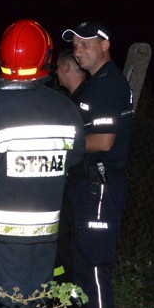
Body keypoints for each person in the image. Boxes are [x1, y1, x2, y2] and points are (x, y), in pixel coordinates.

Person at [0, 19, 84, 308]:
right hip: (46, 231)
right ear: (46, 59)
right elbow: (73, 159)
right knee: (37, 301)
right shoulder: (66, 109)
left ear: (2, 60)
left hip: (0, 234)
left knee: (4, 302)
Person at [62, 21, 133, 308]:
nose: (78, 52)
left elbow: (103, 141)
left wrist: (62, 146)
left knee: (93, 267)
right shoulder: (96, 83)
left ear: (105, 44)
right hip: (89, 186)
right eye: (75, 46)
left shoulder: (106, 84)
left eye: (86, 44)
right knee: (82, 263)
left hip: (99, 188)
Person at [52, 47, 89, 285]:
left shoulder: (83, 100)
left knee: (69, 242)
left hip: (82, 184)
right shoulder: (72, 100)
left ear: (65, 67)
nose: (55, 73)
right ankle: (60, 288)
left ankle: (68, 290)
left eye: (57, 67)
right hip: (71, 183)